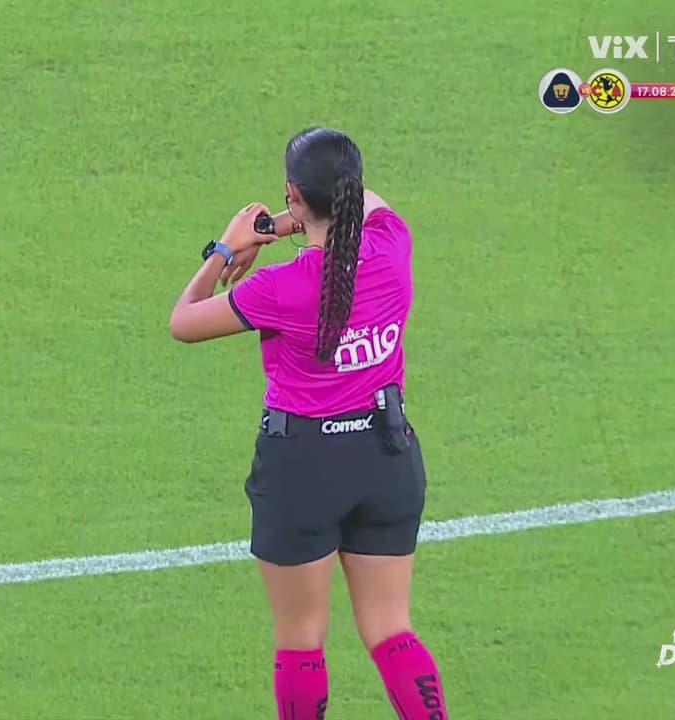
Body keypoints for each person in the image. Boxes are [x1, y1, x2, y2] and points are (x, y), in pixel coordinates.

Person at [168, 127, 448, 719]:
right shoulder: (392, 246)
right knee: (391, 629)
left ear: (294, 193)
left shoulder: (282, 286)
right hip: (387, 457)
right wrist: (283, 222)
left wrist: (228, 247)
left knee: (301, 638)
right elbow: (365, 201)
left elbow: (184, 321)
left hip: (303, 469)